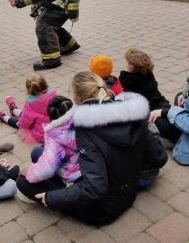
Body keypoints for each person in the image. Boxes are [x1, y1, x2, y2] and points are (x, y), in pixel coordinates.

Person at [17, 71, 168, 226]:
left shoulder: (85, 129)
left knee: (23, 182)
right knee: (41, 156)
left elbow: (94, 188)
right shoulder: (134, 112)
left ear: (76, 100)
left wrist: (51, 198)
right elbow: (160, 158)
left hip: (104, 208)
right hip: (129, 190)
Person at [119, 48, 181, 143]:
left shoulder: (129, 78)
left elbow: (122, 83)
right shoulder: (148, 73)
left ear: (132, 66)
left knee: (160, 123)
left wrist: (125, 73)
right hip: (160, 103)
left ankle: (179, 138)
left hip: (149, 110)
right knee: (170, 117)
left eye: (128, 63)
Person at [25, 96, 80, 185]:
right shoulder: (83, 120)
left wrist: (28, 174)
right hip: (85, 166)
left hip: (73, 175)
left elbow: (48, 168)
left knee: (36, 152)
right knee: (41, 149)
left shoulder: (55, 136)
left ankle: (61, 184)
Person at [0, 73, 57, 143]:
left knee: (19, 123)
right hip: (52, 129)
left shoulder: (31, 104)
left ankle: (3, 117)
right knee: (30, 115)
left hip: (41, 133)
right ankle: (14, 110)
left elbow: (24, 123)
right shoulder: (54, 95)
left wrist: (20, 123)